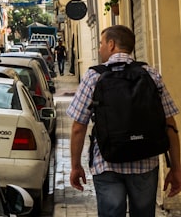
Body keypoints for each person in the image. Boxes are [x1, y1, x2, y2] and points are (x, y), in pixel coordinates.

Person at [68, 25, 181, 216]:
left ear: (111, 45)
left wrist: (75, 166)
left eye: (102, 43)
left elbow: (78, 127)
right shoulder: (151, 74)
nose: (99, 48)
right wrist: (176, 168)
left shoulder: (93, 76)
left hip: (106, 162)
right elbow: (170, 125)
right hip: (145, 161)